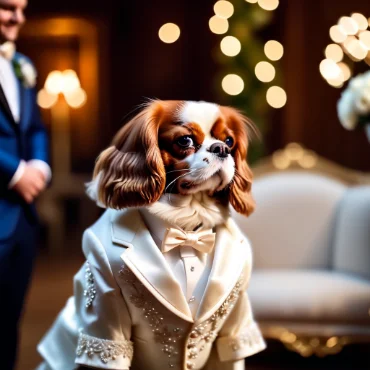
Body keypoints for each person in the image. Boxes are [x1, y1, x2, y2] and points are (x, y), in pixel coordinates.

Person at [0, 0, 51, 369]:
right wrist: (14, 173)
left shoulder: (23, 65)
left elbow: (34, 127)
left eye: (22, 8)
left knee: (8, 322)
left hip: (22, 221)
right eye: (6, 7)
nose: (19, 17)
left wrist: (40, 166)